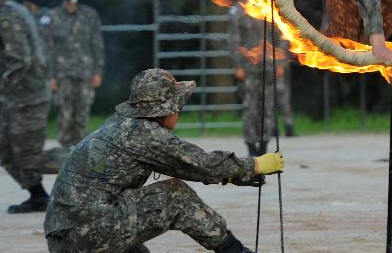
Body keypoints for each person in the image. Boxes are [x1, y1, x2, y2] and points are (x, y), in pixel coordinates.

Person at [44, 68, 284, 253]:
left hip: (66, 236)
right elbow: (202, 164)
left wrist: (233, 174)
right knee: (175, 196)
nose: (179, 112)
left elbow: (187, 166)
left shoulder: (123, 124)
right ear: (164, 109)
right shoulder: (144, 134)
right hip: (86, 233)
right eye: (177, 106)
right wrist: (256, 165)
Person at [0, 0, 53, 213]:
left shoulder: (7, 17)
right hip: (22, 95)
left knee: (29, 156)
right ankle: (38, 196)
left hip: (28, 96)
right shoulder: (11, 11)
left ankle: (97, 162)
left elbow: (20, 60)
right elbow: (10, 51)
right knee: (5, 148)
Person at [228, 1, 295, 157]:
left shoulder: (271, 8)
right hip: (248, 68)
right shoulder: (239, 11)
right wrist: (237, 65)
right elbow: (234, 40)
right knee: (250, 107)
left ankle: (264, 144)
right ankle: (251, 145)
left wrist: (280, 63)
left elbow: (283, 36)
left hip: (270, 67)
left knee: (267, 108)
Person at [48, 0, 105, 145]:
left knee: (82, 114)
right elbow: (48, 48)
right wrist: (51, 76)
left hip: (85, 72)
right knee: (64, 114)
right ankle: (64, 153)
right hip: (62, 73)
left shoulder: (90, 15)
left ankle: (80, 153)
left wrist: (98, 71)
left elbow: (97, 44)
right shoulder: (53, 16)